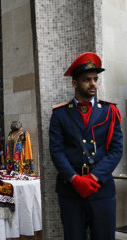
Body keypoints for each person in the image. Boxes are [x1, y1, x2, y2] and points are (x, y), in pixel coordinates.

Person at [49, 52, 123, 240]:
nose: (93, 84)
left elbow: (116, 150)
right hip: (71, 190)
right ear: (74, 83)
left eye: (95, 79)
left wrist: (95, 177)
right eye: (86, 80)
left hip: (102, 188)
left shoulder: (109, 111)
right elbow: (57, 151)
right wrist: (75, 179)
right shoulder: (60, 114)